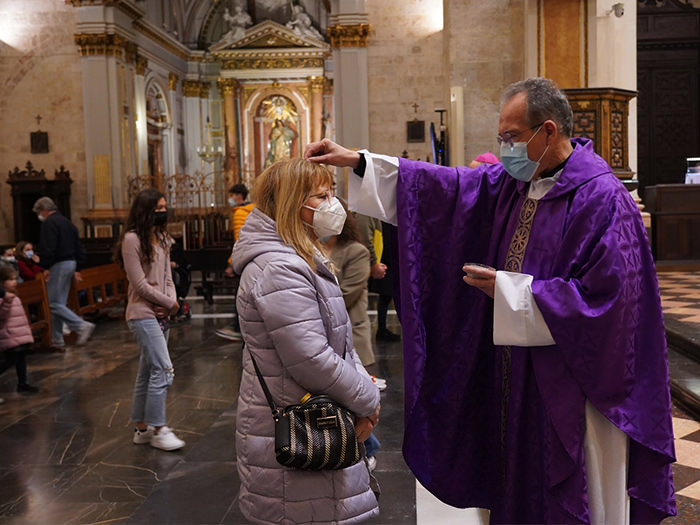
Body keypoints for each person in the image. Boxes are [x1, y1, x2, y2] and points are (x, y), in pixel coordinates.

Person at [305, 77, 676, 523]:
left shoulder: (602, 198)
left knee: (570, 494)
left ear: (549, 132)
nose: (505, 150)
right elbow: (447, 188)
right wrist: (361, 161)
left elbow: (612, 303)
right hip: (516, 378)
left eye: (512, 138)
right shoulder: (514, 184)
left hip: (575, 389)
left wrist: (512, 291)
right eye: (501, 139)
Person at [230, 158, 380, 523]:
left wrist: (361, 385)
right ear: (293, 204)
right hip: (301, 424)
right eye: (322, 195)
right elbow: (311, 358)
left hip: (318, 414)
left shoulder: (298, 257)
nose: (333, 203)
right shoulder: (279, 268)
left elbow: (340, 342)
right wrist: (369, 398)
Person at [114, 188, 185, 451]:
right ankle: (159, 429)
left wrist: (171, 303)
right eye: (157, 209)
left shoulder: (163, 238)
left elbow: (167, 276)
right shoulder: (132, 239)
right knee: (164, 370)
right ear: (145, 211)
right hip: (141, 313)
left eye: (164, 207)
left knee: (147, 372)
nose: (162, 212)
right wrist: (166, 302)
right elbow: (139, 284)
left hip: (161, 312)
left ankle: (142, 429)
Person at [324, 198, 384, 471]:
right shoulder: (313, 247)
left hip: (351, 330)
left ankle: (368, 448)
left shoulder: (356, 250)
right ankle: (358, 448)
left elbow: (349, 291)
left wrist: (314, 308)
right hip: (324, 333)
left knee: (355, 396)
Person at [32, 197, 95, 349]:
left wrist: (44, 266)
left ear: (45, 210)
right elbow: (78, 246)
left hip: (58, 264)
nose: (39, 216)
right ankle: (57, 339)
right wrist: (78, 267)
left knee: (53, 303)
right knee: (58, 303)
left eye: (39, 212)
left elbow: (49, 247)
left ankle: (80, 325)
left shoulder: (49, 223)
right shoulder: (67, 222)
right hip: (71, 263)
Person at [215, 183, 255, 342]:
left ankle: (237, 328)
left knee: (240, 295)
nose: (229, 199)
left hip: (243, 259)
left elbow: (239, 240)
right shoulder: (253, 210)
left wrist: (232, 263)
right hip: (253, 258)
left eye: (231, 195)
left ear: (239, 196)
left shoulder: (239, 213)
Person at [0, 265, 39, 395]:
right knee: (10, 360)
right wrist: (6, 302)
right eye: (10, 279)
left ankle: (23, 383)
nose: (14, 282)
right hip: (9, 334)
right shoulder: (4, 298)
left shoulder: (14, 296)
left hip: (19, 333)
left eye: (15, 279)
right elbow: (2, 316)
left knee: (21, 359)